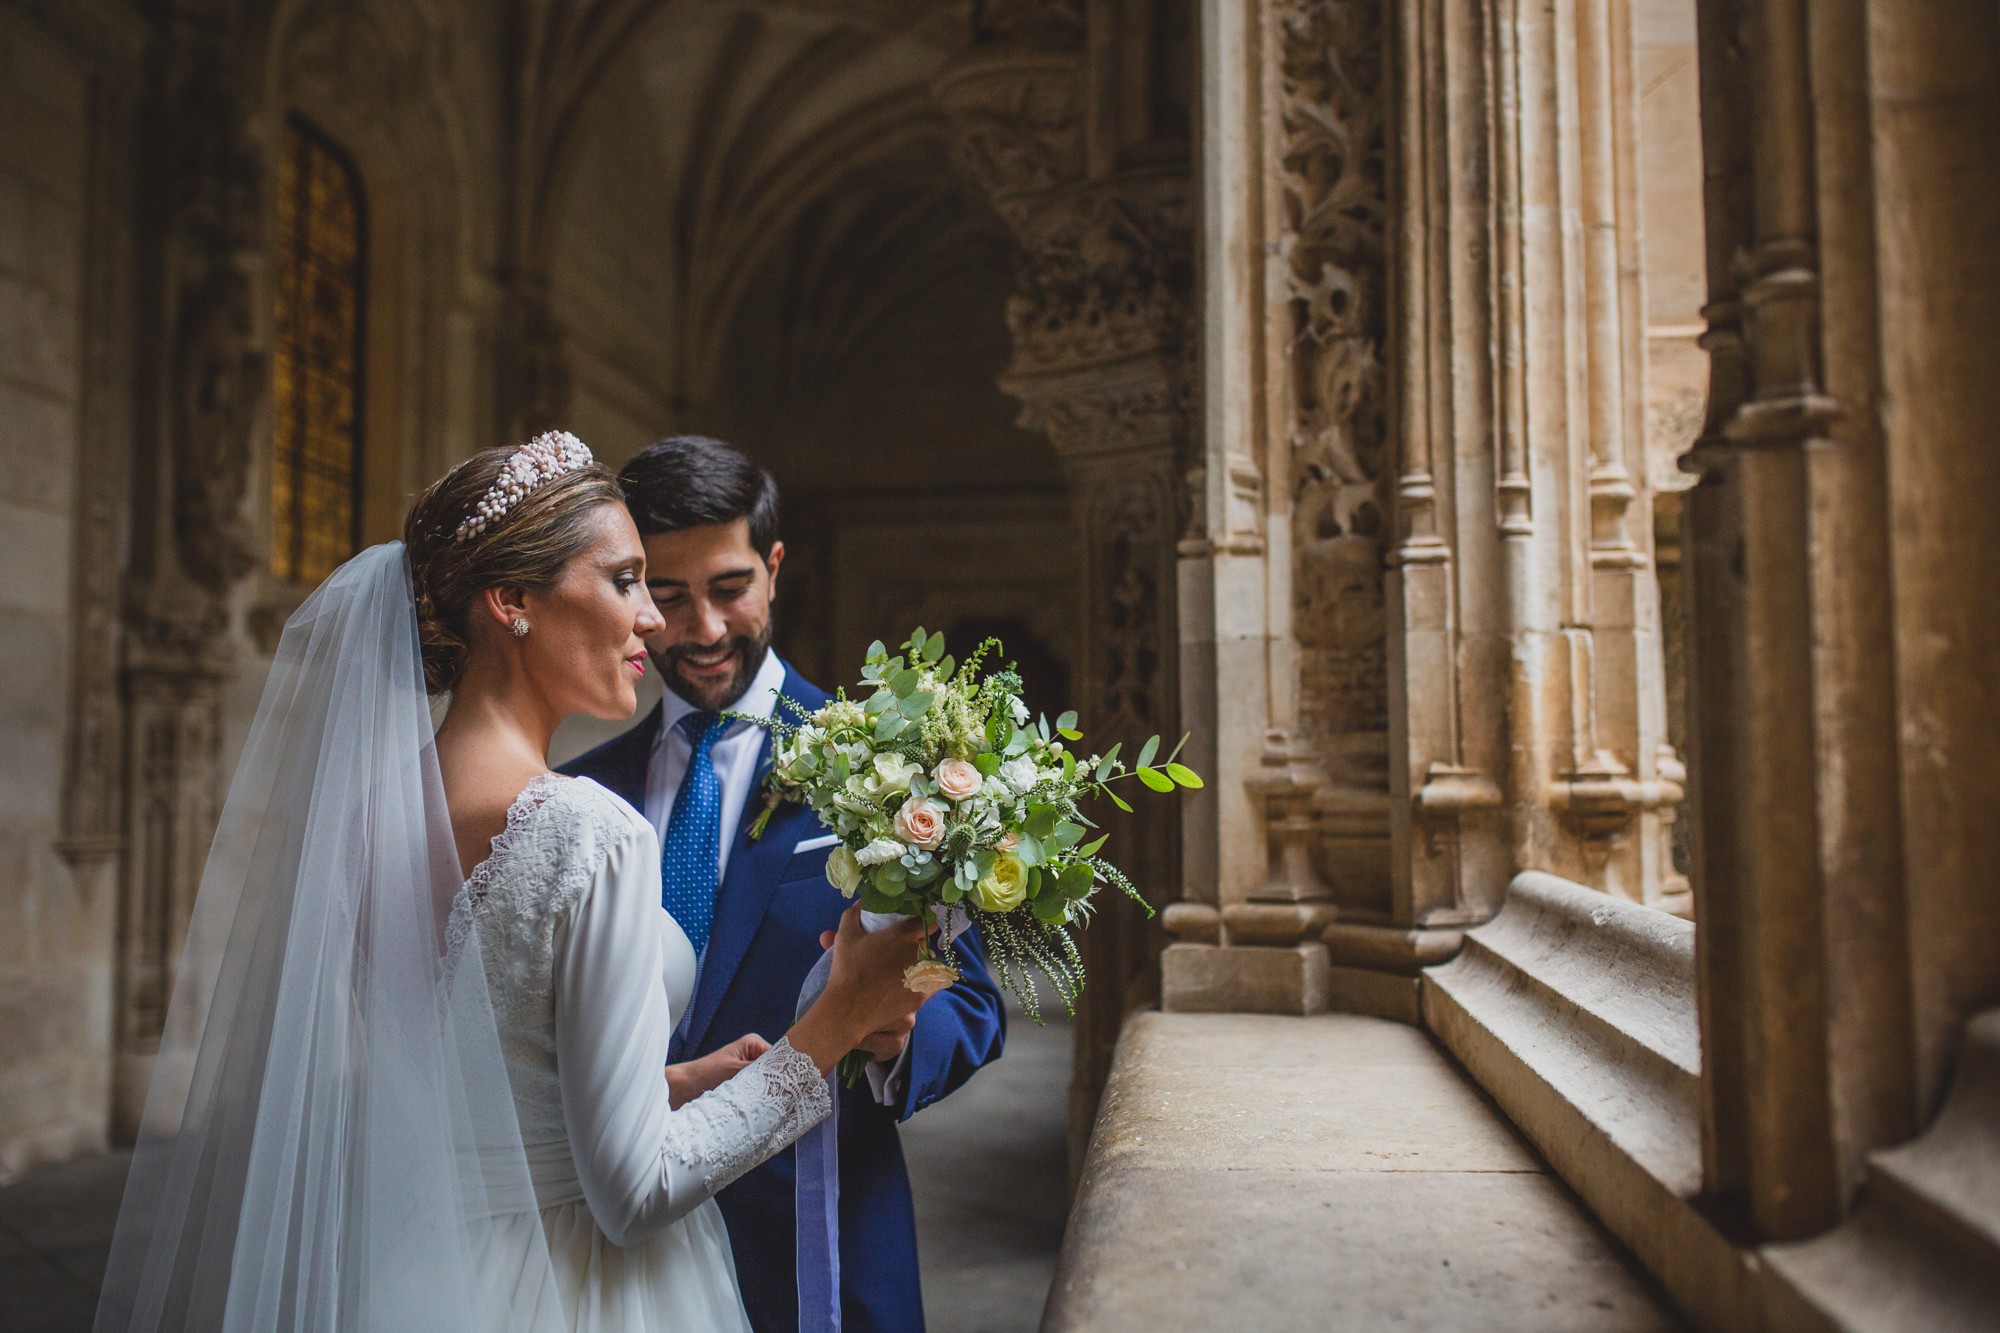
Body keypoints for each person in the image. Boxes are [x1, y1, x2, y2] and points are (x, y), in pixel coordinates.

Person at [92, 433, 927, 1333]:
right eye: (626, 581)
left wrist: (668, 1083)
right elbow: (634, 1193)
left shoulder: (371, 813)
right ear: (513, 601)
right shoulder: (590, 827)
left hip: (425, 1274)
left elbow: (467, 1078)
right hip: (581, 1291)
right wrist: (838, 1018)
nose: (654, 618)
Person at [562, 436, 1007, 1333]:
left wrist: (893, 1033)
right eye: (668, 595)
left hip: (820, 1249)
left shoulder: (891, 770)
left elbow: (969, 998)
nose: (705, 629)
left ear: (772, 568)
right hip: (617, 1259)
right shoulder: (582, 794)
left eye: (729, 589)